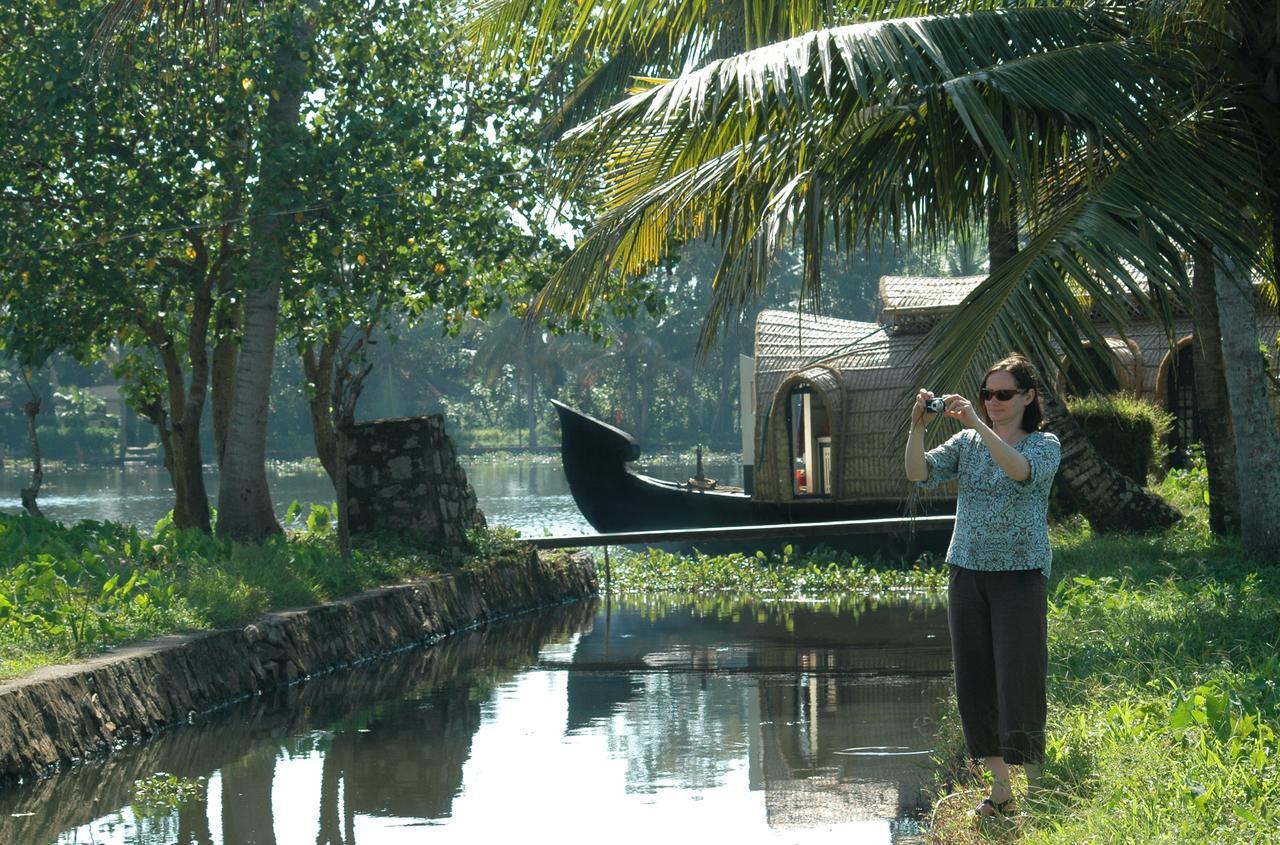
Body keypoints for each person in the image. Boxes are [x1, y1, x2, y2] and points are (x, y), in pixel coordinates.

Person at [903, 354, 1061, 818]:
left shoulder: (1043, 444)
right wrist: (916, 427)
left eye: (1003, 394)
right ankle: (1000, 789)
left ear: (1028, 397)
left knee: (1020, 678)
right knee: (974, 680)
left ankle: (1038, 787)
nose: (992, 402)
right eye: (986, 394)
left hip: (1019, 573)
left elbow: (1018, 472)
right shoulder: (965, 442)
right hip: (966, 571)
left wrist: (975, 421)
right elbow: (917, 472)